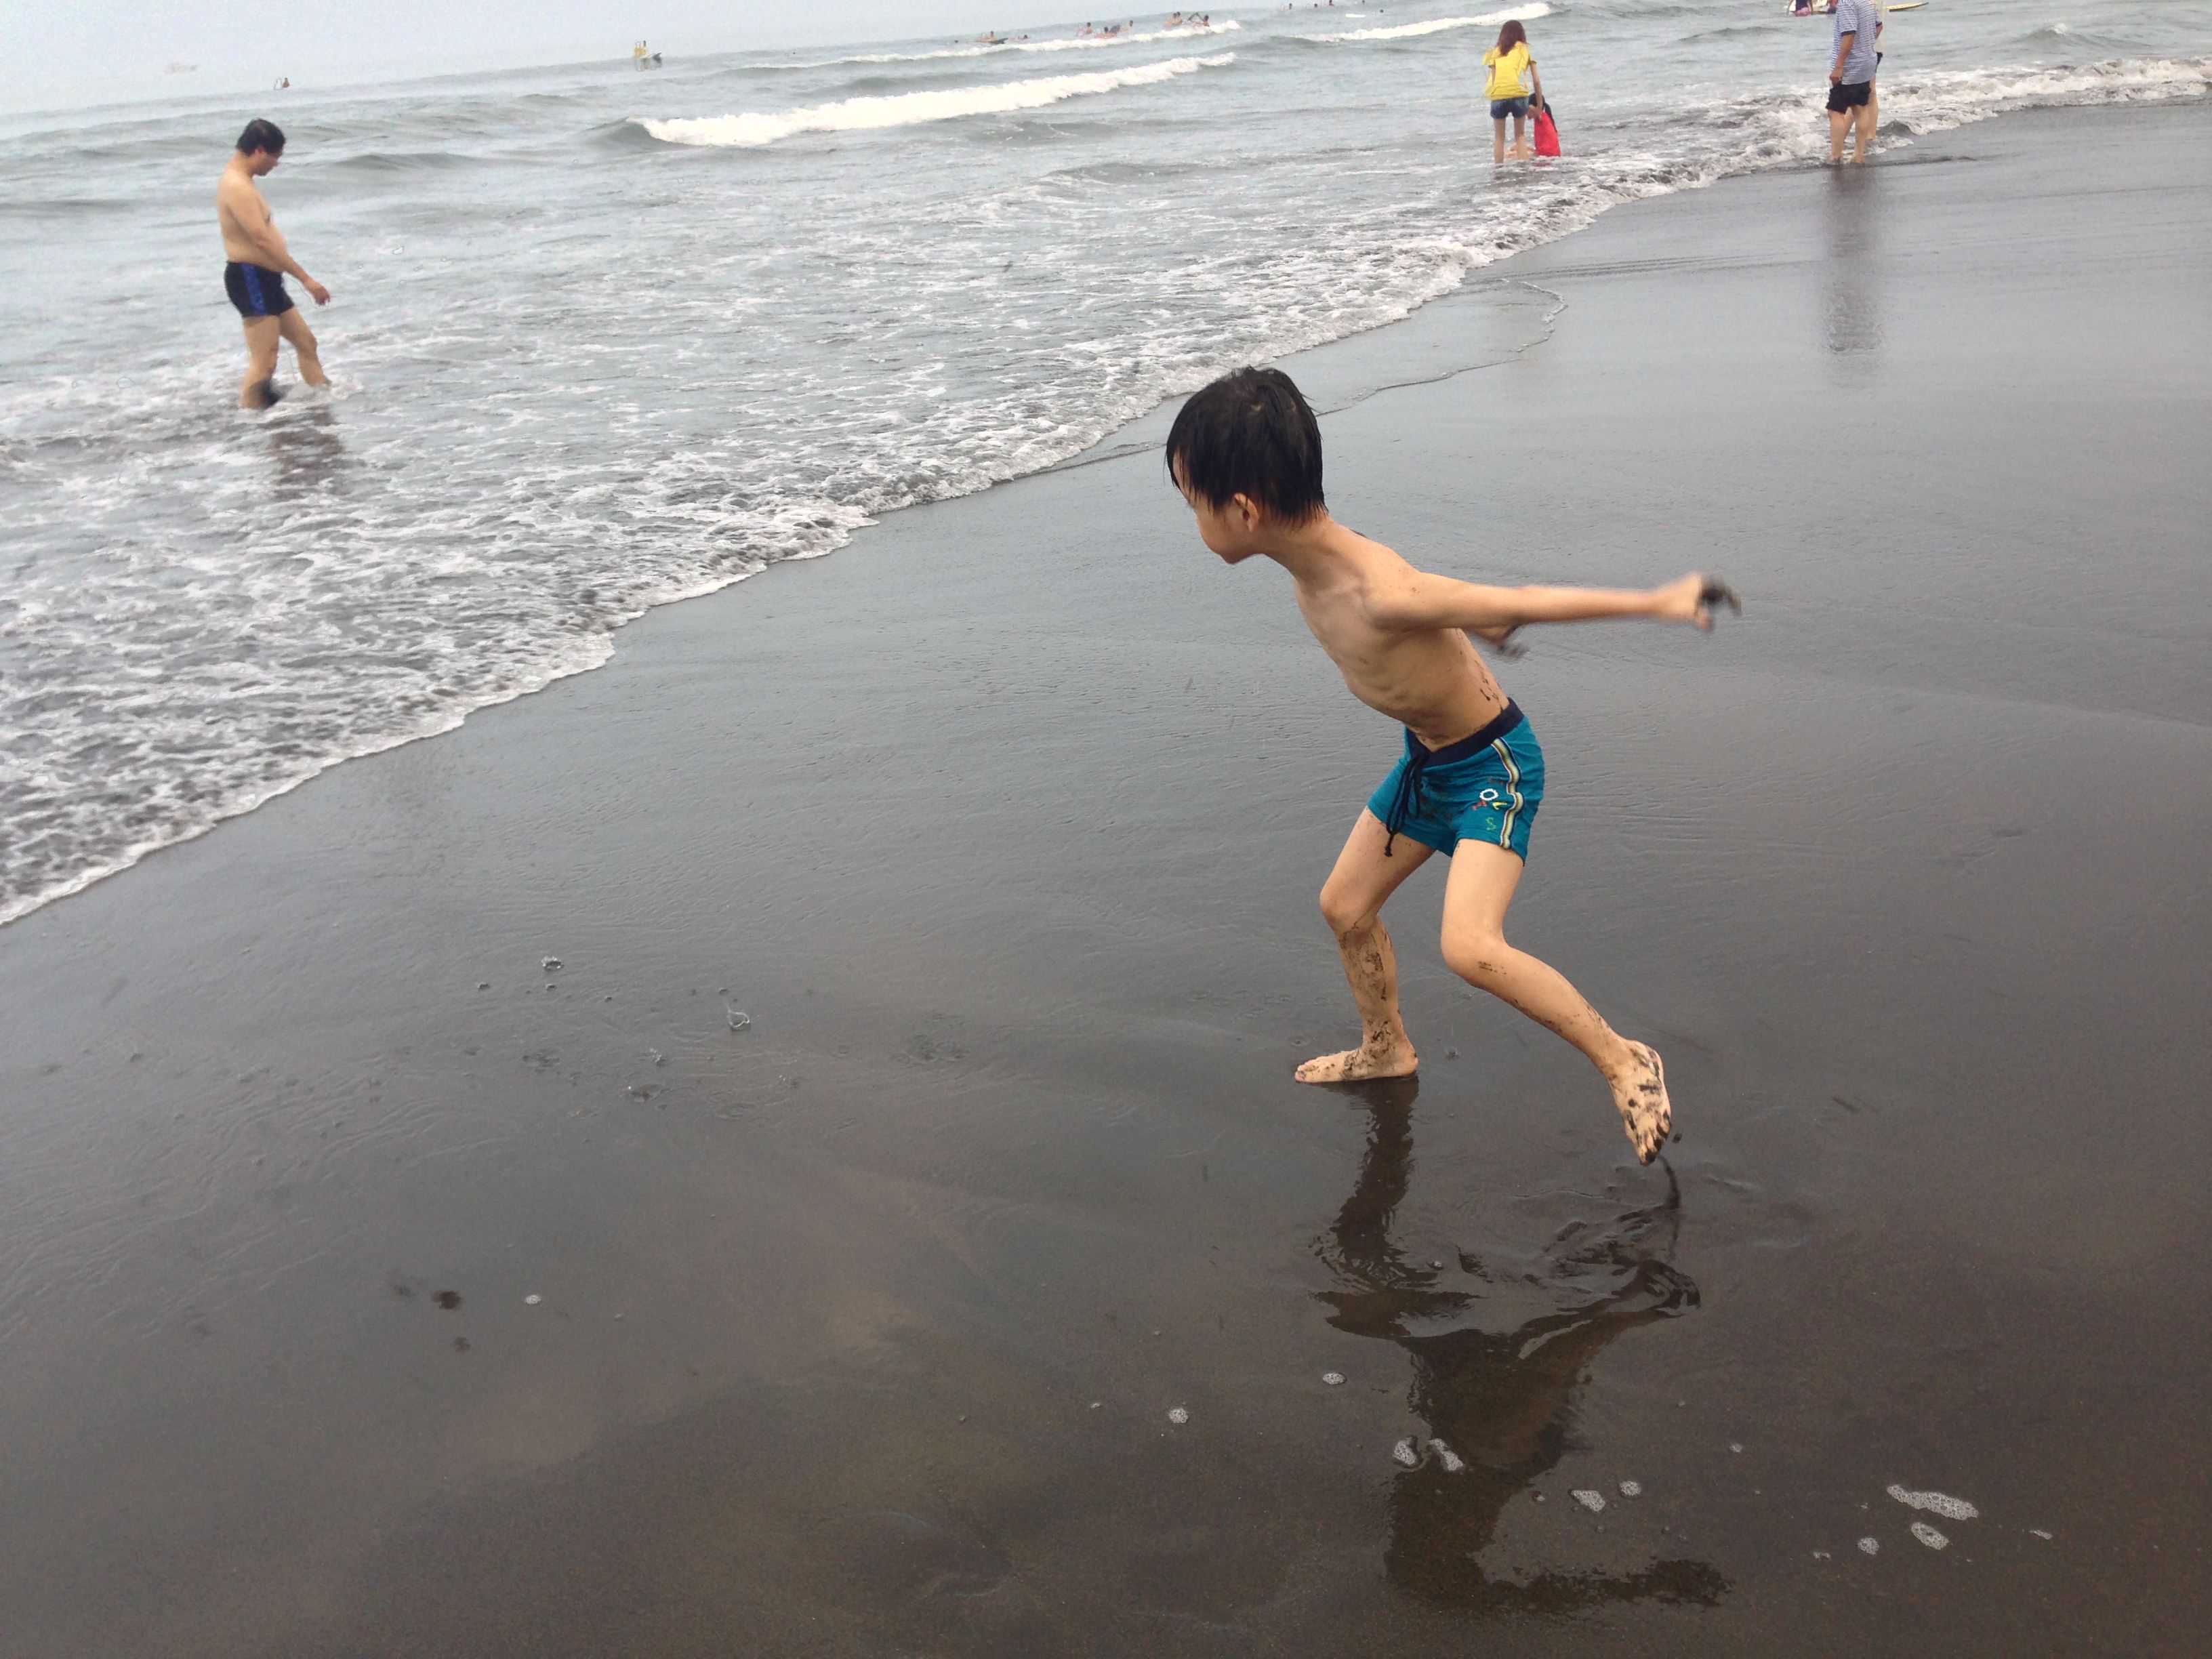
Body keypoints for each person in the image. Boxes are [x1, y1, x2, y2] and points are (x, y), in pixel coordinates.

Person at [1164, 367, 1739, 1164]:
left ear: (1244, 510)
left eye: (1193, 502)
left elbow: (1523, 600)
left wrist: (1658, 601)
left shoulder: (1379, 592)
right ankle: (1386, 1048)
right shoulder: (1317, 564)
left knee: (1470, 946)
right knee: (1345, 906)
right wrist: (1476, 633)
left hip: (1494, 768)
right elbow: (1454, 622)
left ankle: (1625, 1060)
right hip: (1430, 761)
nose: (1193, 518)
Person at [216, 118, 329, 409]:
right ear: (259, 151)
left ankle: (324, 404)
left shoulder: (244, 182)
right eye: (275, 157)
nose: (276, 164)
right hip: (250, 278)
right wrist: (306, 280)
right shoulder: (236, 186)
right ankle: (250, 421)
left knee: (307, 343)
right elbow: (262, 241)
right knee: (265, 361)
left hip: (266, 279)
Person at [1825, 0, 1882, 164]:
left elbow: (1849, 34)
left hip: (1851, 65)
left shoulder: (1847, 3)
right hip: (1867, 61)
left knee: (1835, 111)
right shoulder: (1866, 2)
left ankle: (1836, 156)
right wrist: (1865, 45)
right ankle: (1859, 154)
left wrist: (1839, 66)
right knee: (1860, 108)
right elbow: (1879, 26)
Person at [1482, 20, 1545, 165]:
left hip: (1498, 96)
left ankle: (1498, 171)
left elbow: (1492, 79)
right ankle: (1523, 170)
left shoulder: (1496, 52)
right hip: (1519, 94)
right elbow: (1536, 80)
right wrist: (1539, 105)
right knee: (1520, 136)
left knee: (1499, 137)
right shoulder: (1525, 49)